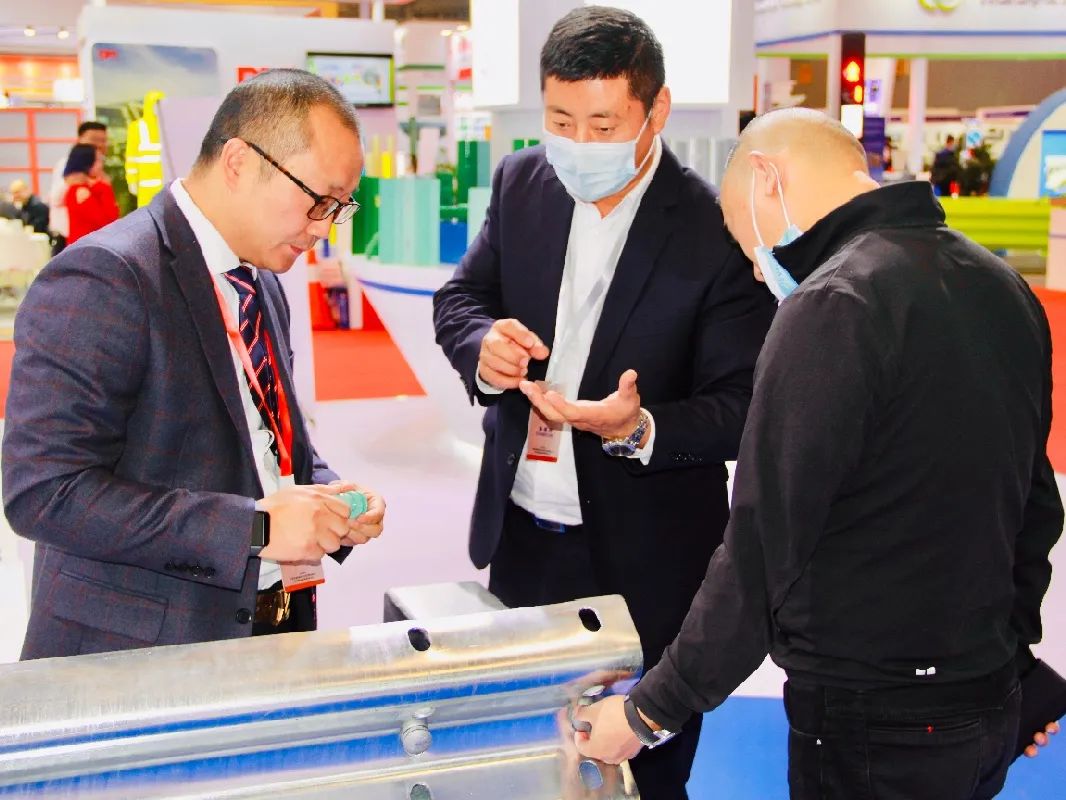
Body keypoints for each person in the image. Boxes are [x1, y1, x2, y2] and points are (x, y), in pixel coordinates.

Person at [573, 108, 1064, 800]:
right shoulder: (1000, 285)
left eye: (746, 242)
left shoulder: (835, 302)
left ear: (766, 179)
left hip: (870, 718)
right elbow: (1034, 505)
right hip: (981, 704)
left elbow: (763, 547)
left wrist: (649, 711)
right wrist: (1012, 663)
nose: (756, 268)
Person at [432, 7, 775, 797]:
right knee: (528, 769)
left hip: (647, 558)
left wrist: (642, 427)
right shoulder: (523, 182)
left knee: (642, 777)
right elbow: (463, 297)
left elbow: (743, 403)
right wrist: (483, 347)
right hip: (523, 536)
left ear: (656, 111)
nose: (578, 145)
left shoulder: (714, 228)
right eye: (560, 121)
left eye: (603, 124)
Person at [3, 69, 385, 660]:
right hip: (141, 656)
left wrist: (326, 494)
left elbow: (264, 438)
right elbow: (45, 491)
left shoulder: (260, 277)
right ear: (238, 162)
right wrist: (256, 529)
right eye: (317, 200)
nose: (323, 227)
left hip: (269, 623)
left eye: (339, 206)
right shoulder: (106, 276)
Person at [49, 120, 108, 253]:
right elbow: (55, 198)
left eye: (103, 140)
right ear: (80, 139)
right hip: (67, 237)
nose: (99, 144)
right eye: (94, 139)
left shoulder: (98, 169)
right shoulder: (69, 165)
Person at [62, 143, 119, 245]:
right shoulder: (82, 191)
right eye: (98, 160)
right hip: (89, 248)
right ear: (86, 163)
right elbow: (108, 223)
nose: (101, 164)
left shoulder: (84, 188)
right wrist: (105, 187)